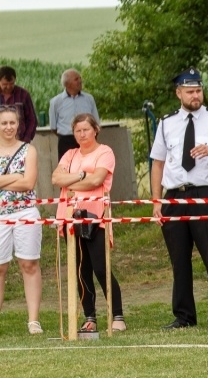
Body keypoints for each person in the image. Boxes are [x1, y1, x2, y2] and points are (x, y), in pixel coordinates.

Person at [149, 68, 208, 329]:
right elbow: (158, 163)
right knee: (179, 259)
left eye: (198, 90)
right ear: (179, 93)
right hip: (174, 195)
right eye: (190, 91)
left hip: (205, 192)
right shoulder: (166, 122)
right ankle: (184, 316)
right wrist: (156, 201)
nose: (196, 95)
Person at [52, 113, 125, 332]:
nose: (82, 134)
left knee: (101, 267)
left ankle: (117, 315)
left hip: (96, 216)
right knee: (80, 269)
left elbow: (97, 180)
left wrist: (73, 180)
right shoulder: (70, 154)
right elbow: (56, 179)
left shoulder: (105, 152)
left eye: (86, 129)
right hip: (69, 215)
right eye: (78, 130)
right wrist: (83, 175)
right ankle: (90, 316)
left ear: (95, 129)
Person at [0, 105, 43, 334]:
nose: (8, 127)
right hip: (0, 215)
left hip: (25, 211)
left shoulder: (29, 150)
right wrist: (15, 176)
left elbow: (28, 183)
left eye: (12, 123)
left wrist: (4, 179)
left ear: (18, 124)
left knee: (29, 264)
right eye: (4, 123)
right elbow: (21, 179)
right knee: (0, 267)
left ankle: (33, 320)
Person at [49, 69, 100, 161]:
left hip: (88, 139)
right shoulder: (56, 102)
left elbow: (96, 121)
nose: (80, 81)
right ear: (67, 84)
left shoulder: (89, 99)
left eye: (80, 78)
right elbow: (53, 126)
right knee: (68, 169)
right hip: (66, 141)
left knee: (89, 166)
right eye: (76, 79)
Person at [0, 67, 38, 143]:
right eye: (5, 84)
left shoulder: (23, 94)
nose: (8, 87)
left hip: (20, 142)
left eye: (11, 84)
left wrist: (26, 139)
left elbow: (32, 119)